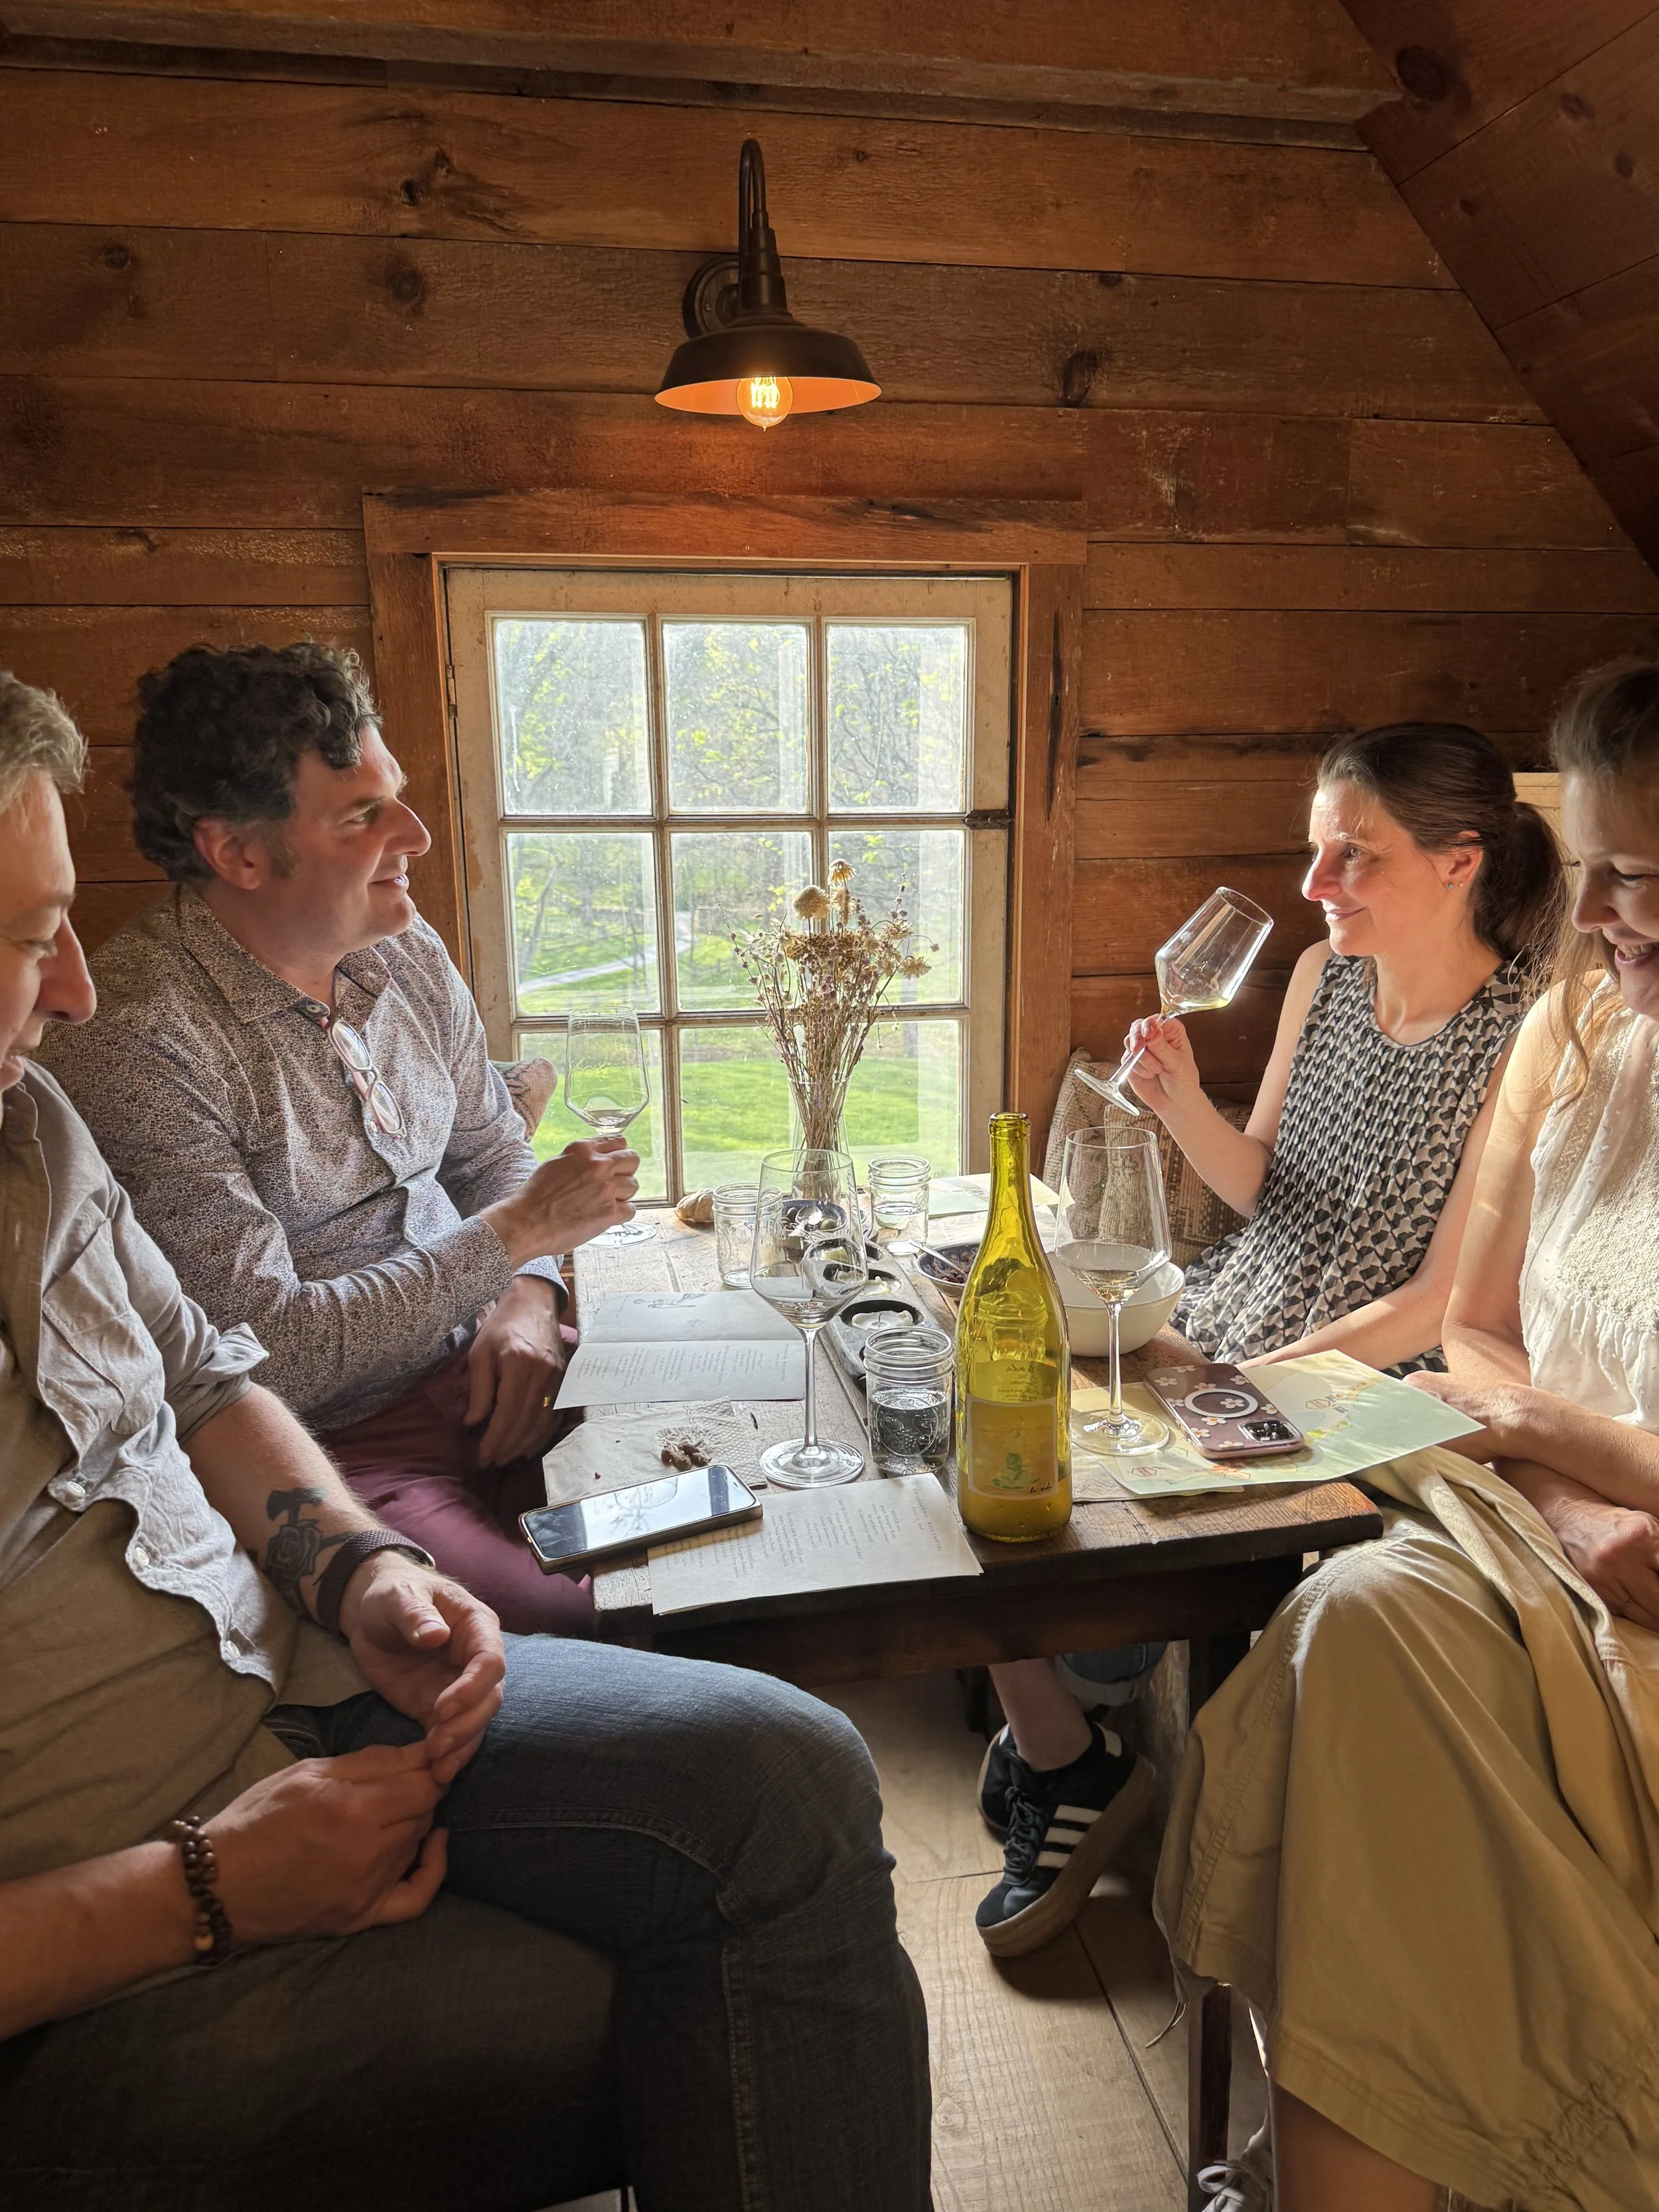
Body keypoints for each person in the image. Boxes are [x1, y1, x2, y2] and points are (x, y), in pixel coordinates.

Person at [0, 668, 930, 2212]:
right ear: (239, 852)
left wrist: (358, 1570)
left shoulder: (33, 1124)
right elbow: (296, 1350)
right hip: (144, 1863)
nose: (77, 985)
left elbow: (213, 1377)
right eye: (32, 936)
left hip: (297, 1665)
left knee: (785, 1725)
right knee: (717, 1942)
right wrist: (203, 1891)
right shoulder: (140, 1052)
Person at [1161, 658, 1659, 2212]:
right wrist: (1560, 1484)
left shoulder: (1508, 1011)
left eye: (1640, 880)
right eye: (1588, 873)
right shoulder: (1576, 1039)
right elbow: (1481, 1327)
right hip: (1550, 1528)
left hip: (1601, 1555)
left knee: (1355, 1661)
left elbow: (1472, 1352)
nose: (1596, 918)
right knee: (1352, 1616)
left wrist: (1527, 1423)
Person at [974, 722, 1566, 1958]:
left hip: (1356, 1377)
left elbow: (1440, 1301)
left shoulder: (1525, 1032)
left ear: (1462, 862)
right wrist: (1179, 1097)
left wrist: (1245, 1386)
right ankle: (1067, 1744)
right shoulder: (1318, 977)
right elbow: (1259, 1188)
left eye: (1354, 856)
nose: (1315, 887)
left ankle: (1071, 1747)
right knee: (981, 1429)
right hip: (1224, 1318)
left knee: (1064, 1497)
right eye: (1315, 853)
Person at [40, 642, 636, 1635]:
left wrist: (529, 1299)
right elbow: (267, 1355)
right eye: (364, 815)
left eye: (393, 795)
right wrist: (516, 1241)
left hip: (506, 1357)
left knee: (730, 1510)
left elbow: (491, 1151)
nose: (418, 834)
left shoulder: (399, 943)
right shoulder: (140, 1042)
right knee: (586, 1618)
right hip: (340, 1444)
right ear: (237, 853)